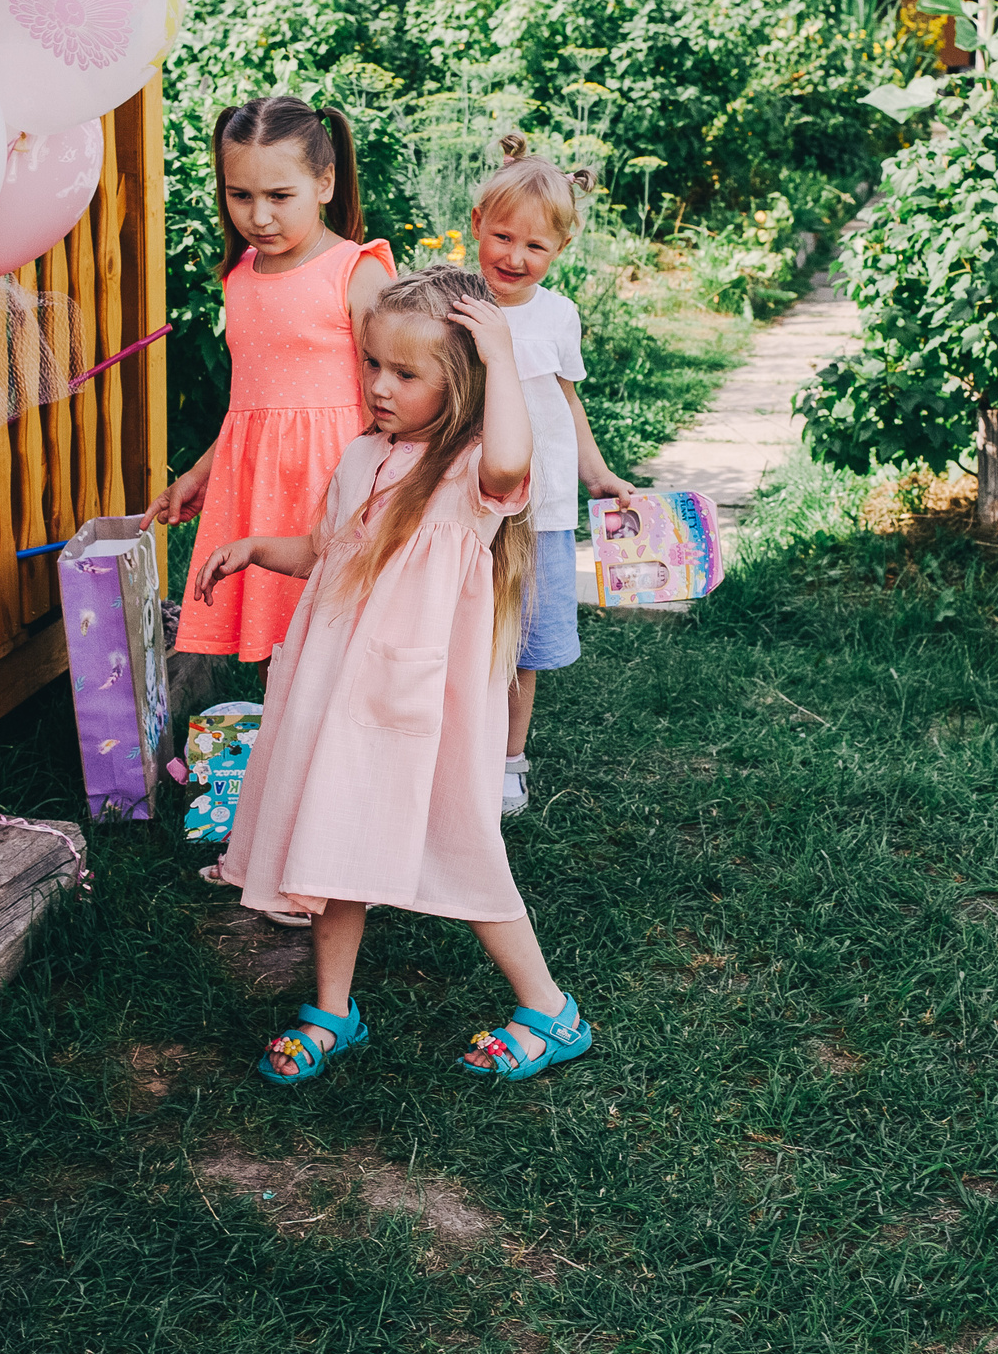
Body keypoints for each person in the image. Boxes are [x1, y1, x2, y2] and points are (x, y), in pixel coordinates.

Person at [196, 264, 596, 1085]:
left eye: (406, 373)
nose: (379, 385)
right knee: (333, 830)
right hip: (341, 691)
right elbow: (325, 552)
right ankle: (332, 1010)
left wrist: (502, 351)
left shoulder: (473, 471)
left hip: (424, 705)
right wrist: (256, 549)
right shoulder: (360, 457)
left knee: (462, 845)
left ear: (464, 384)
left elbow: (511, 454)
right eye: (372, 363)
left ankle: (551, 1008)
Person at [149, 95, 394, 665]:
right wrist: (200, 474)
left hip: (335, 479)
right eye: (241, 195)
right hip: (258, 487)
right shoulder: (239, 277)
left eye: (280, 196)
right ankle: (279, 724)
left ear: (325, 183)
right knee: (273, 647)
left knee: (338, 644)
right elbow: (251, 406)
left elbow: (398, 389)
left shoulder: (357, 271)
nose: (258, 217)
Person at [470, 136, 639, 815]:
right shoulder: (453, 301)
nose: (515, 257)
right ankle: (454, 752)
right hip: (467, 502)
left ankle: (508, 761)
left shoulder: (557, 315)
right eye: (503, 236)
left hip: (539, 509)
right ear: (477, 224)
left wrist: (597, 473)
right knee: (460, 632)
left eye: (535, 246)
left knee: (523, 646)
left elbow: (566, 402)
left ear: (561, 249)